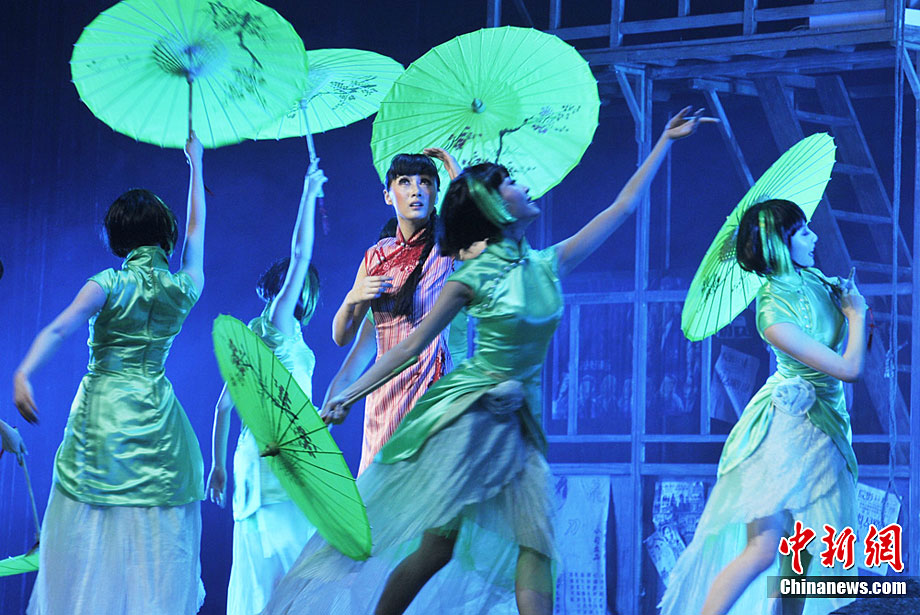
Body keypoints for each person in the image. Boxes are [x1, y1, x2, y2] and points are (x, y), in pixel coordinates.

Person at [263, 107, 709, 615]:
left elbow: (623, 208)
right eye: (512, 183)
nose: (526, 187)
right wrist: (347, 396)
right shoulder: (469, 276)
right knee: (435, 549)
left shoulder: (548, 263)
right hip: (472, 419)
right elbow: (407, 346)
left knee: (536, 544)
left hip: (522, 424)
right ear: (494, 206)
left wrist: (664, 141)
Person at [13, 134, 207, 615]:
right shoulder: (184, 287)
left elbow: (59, 329)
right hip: (159, 421)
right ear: (165, 234)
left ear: (118, 236)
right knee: (152, 529)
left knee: (92, 523)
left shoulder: (108, 283)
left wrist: (24, 372)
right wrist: (196, 166)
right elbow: (197, 230)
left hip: (103, 417)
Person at [659, 199, 867, 615]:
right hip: (786, 431)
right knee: (764, 548)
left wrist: (848, 302)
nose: (814, 237)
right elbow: (849, 369)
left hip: (826, 425)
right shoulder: (771, 311)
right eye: (803, 232)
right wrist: (857, 316)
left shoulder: (816, 279)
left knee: (801, 556)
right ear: (777, 244)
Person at [205, 160, 326, 615]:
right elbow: (301, 255)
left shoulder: (262, 336)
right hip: (277, 458)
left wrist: (218, 467)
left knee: (269, 572)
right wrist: (308, 193)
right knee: (290, 568)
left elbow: (223, 407)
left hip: (259, 456)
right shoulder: (277, 324)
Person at [327, 148, 461, 474]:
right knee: (377, 491)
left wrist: (455, 173)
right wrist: (351, 299)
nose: (417, 190)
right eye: (405, 182)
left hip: (430, 387)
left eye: (426, 182)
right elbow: (341, 337)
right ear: (388, 195)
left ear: (437, 192)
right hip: (382, 394)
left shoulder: (448, 248)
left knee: (423, 490)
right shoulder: (375, 256)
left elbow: (479, 228)